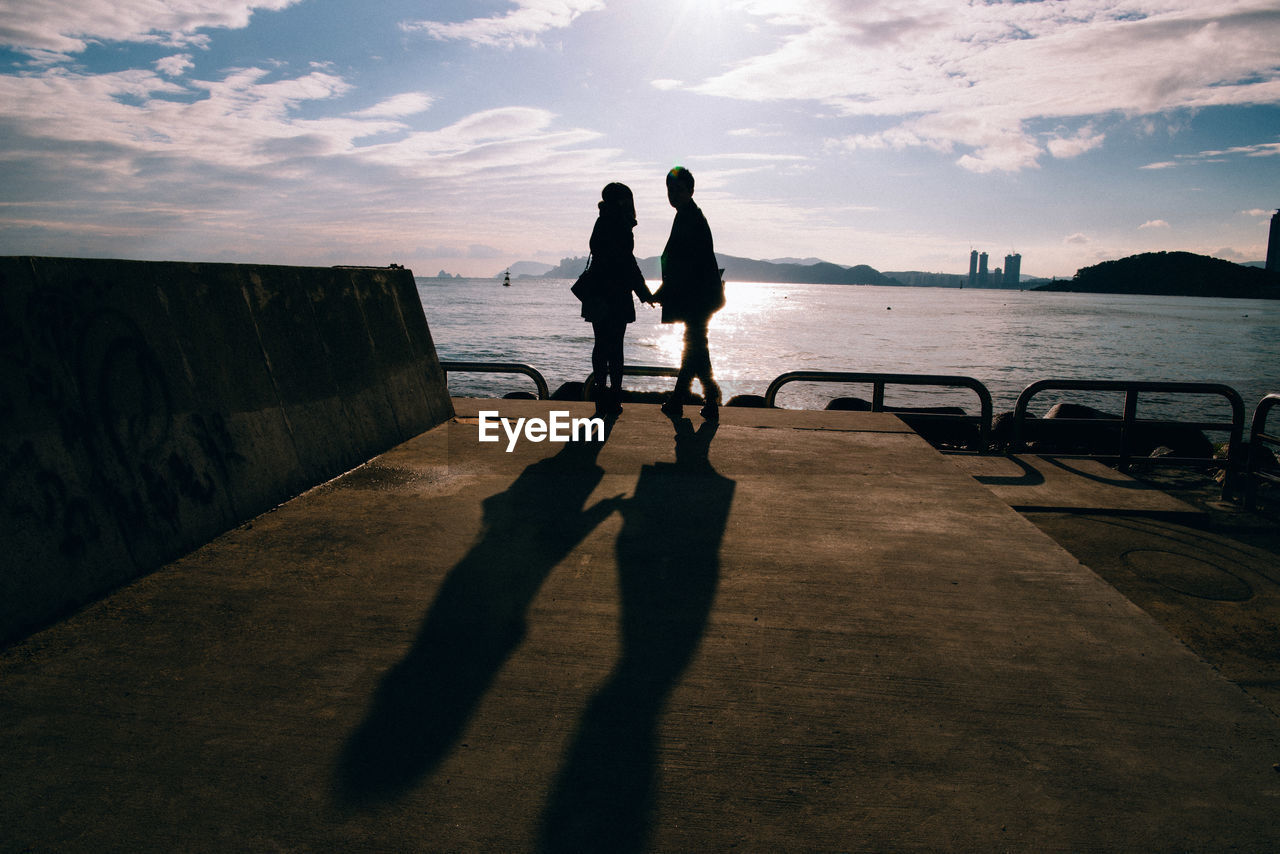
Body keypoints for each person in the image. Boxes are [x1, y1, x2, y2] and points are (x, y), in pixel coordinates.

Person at [654, 166, 724, 420]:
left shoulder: (690, 218)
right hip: (699, 295)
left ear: (690, 191)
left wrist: (663, 290)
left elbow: (684, 263)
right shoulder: (687, 215)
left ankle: (692, 398)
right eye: (670, 190)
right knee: (695, 347)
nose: (673, 195)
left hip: (698, 296)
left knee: (693, 346)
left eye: (679, 190)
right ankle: (702, 398)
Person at [582, 182, 653, 417]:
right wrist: (644, 292)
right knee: (615, 347)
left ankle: (601, 396)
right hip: (616, 293)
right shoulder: (620, 224)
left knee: (600, 344)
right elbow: (627, 262)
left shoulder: (601, 221)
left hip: (597, 291)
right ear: (624, 201)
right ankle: (614, 397)